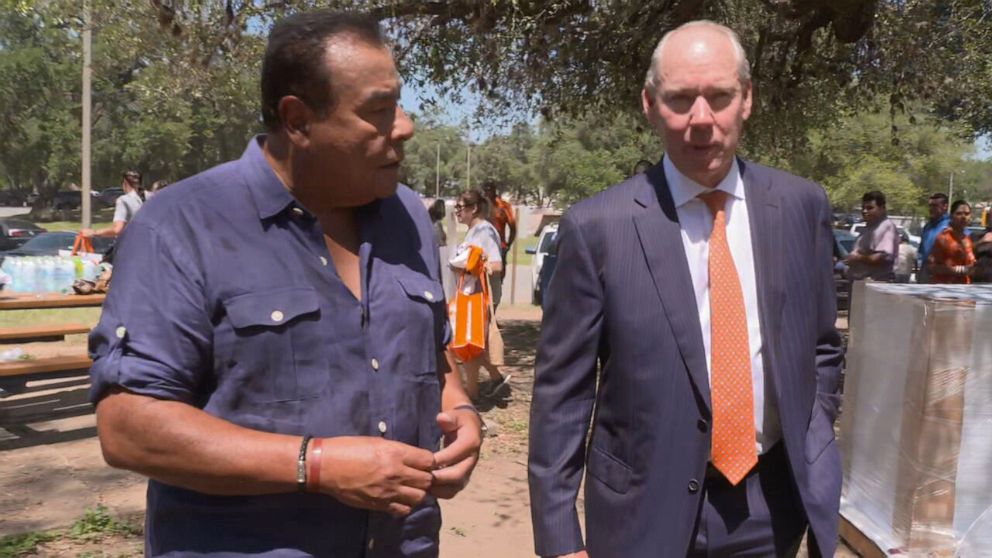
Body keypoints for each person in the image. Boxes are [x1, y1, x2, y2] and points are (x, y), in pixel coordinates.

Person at [87, 11, 482, 557]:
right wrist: (315, 464)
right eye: (378, 111)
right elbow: (128, 427)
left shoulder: (408, 216)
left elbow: (430, 357)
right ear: (297, 120)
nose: (406, 125)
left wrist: (459, 412)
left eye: (399, 103)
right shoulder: (181, 225)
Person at [528, 21, 844, 558]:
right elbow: (563, 392)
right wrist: (560, 538)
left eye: (719, 97)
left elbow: (821, 347)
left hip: (771, 509)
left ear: (748, 99)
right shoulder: (598, 225)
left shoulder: (800, 207)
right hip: (640, 515)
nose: (702, 121)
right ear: (650, 105)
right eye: (680, 100)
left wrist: (813, 439)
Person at [450, 189, 510, 401]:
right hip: (470, 297)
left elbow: (496, 264)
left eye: (460, 207)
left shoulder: (485, 230)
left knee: (470, 344)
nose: (457, 211)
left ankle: (471, 395)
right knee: (473, 343)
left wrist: (470, 266)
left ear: (473, 208)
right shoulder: (473, 231)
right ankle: (497, 381)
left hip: (481, 297)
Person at [846, 190, 899, 282]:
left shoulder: (886, 227)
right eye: (863, 208)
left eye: (870, 208)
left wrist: (858, 258)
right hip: (860, 283)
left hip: (876, 284)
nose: (864, 211)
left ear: (882, 208)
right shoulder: (868, 227)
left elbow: (882, 257)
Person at [84, 170, 145, 239]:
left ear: (125, 183)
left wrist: (94, 233)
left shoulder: (123, 200)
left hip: (131, 246)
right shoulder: (149, 198)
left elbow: (117, 230)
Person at [927, 200, 976, 284]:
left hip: (964, 289)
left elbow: (971, 266)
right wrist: (958, 270)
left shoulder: (967, 239)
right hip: (945, 289)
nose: (963, 217)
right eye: (959, 213)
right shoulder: (943, 238)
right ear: (951, 216)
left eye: (967, 214)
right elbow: (932, 266)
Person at [482, 180, 516, 270]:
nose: (487, 193)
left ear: (494, 190)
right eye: (485, 190)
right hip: (481, 247)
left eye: (489, 190)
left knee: (497, 276)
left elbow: (513, 227)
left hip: (499, 247)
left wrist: (508, 245)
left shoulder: (503, 206)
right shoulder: (480, 206)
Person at [917, 192, 950, 283]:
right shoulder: (927, 227)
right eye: (930, 206)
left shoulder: (951, 226)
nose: (931, 209)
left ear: (945, 206)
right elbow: (921, 252)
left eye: (935, 206)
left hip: (943, 272)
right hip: (925, 271)